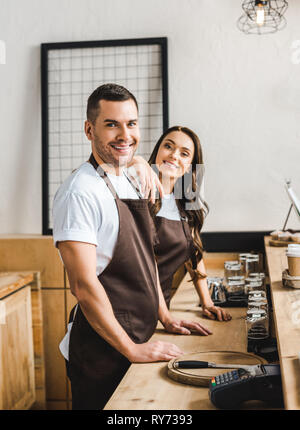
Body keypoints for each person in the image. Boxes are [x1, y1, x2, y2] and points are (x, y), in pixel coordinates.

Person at [53, 84, 212, 410]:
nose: (125, 133)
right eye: (111, 124)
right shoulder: (79, 192)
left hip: (141, 332)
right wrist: (130, 348)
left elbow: (145, 258)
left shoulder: (132, 178)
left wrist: (164, 317)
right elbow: (83, 286)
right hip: (104, 349)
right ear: (89, 129)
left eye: (132, 124)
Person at [133, 126, 231, 321]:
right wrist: (136, 160)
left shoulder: (185, 202)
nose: (174, 155)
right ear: (158, 151)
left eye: (184, 153)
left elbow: (194, 252)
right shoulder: (137, 192)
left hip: (158, 312)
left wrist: (207, 302)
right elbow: (145, 264)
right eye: (168, 146)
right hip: (129, 307)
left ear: (190, 166)